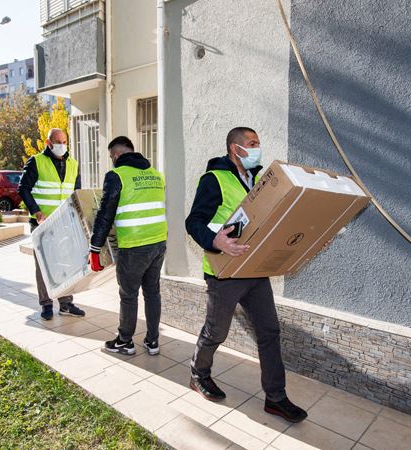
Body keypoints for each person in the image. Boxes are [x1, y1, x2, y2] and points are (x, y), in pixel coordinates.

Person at [185, 127, 308, 423]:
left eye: (258, 143)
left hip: (255, 269)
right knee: (217, 331)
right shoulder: (214, 180)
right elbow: (194, 221)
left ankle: (276, 398)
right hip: (224, 272)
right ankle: (198, 373)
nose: (257, 148)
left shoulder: (259, 181)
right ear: (234, 149)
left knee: (269, 331)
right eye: (252, 144)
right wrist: (215, 240)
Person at [89, 136, 167, 356]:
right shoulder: (155, 174)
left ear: (116, 155)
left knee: (129, 294)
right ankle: (152, 341)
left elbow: (105, 214)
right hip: (158, 241)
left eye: (111, 156)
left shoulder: (117, 176)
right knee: (152, 293)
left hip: (134, 245)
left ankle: (125, 341)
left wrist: (95, 247)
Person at [18, 128, 86, 321]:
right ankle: (46, 304)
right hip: (43, 224)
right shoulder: (36, 161)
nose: (62, 145)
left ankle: (66, 303)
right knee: (44, 265)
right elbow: (23, 189)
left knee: (67, 263)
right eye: (58, 141)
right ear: (48, 143)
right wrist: (36, 211)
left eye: (64, 141)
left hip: (65, 223)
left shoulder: (73, 163)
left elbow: (76, 192)